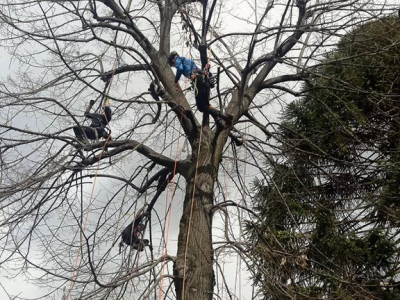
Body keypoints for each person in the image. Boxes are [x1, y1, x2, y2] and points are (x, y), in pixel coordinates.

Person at [168, 51, 232, 126]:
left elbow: (180, 68)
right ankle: (217, 118)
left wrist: (175, 82)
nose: (174, 66)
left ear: (172, 60)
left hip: (198, 81)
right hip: (204, 81)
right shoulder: (187, 60)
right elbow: (197, 70)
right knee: (206, 105)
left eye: (173, 65)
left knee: (201, 107)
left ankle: (224, 116)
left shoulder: (178, 59)